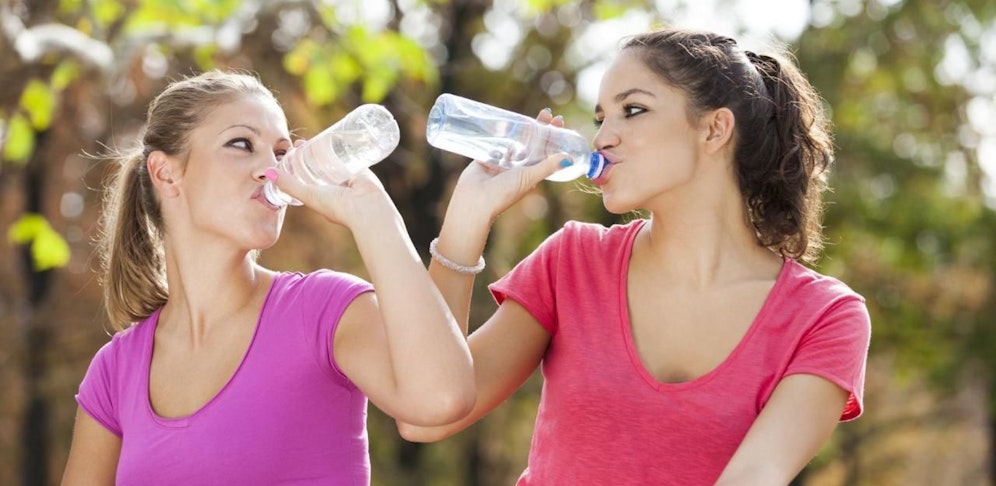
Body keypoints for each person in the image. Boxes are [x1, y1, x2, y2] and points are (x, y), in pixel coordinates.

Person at [399, 27, 871, 485]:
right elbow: (426, 417)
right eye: (601, 117)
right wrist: (467, 218)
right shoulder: (574, 262)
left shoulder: (823, 317)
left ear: (714, 129)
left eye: (633, 109)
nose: (603, 137)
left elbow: (755, 475)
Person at [61, 70, 476, 485]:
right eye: (242, 144)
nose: (270, 168)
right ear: (167, 173)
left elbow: (440, 400)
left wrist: (375, 217)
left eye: (280, 153)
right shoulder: (116, 372)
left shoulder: (323, 311)